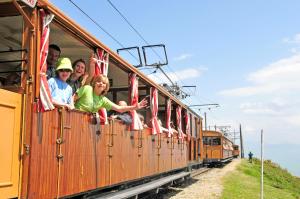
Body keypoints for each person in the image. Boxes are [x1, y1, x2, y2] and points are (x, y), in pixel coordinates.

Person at [74, 74, 147, 115]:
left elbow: (119, 109)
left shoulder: (103, 100)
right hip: (76, 117)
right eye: (99, 81)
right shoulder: (87, 88)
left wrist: (135, 107)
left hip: (86, 123)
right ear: (94, 83)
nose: (101, 84)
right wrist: (71, 109)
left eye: (104, 83)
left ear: (106, 87)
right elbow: (72, 98)